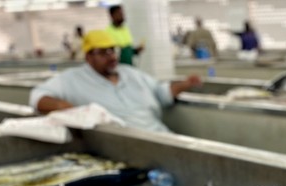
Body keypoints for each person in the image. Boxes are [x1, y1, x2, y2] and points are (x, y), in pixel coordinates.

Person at [29, 30, 202, 133]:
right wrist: (73, 111)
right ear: (89, 56)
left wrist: (184, 84)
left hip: (161, 136)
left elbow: (161, 92)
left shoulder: (131, 74)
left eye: (113, 50)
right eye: (103, 52)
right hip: (125, 145)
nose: (111, 56)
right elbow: (37, 97)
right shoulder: (72, 79)